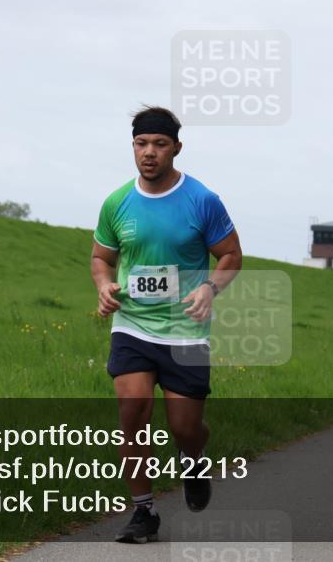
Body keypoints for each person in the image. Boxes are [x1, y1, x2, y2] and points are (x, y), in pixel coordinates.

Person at [91, 106, 242, 544]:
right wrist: (104, 286)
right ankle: (144, 513)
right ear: (133, 147)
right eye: (141, 144)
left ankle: (193, 457)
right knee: (132, 412)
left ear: (176, 147)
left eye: (159, 144)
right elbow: (103, 258)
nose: (150, 153)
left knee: (184, 428)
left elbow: (231, 256)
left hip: (185, 331)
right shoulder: (117, 202)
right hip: (133, 324)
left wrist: (210, 288)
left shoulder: (202, 200)